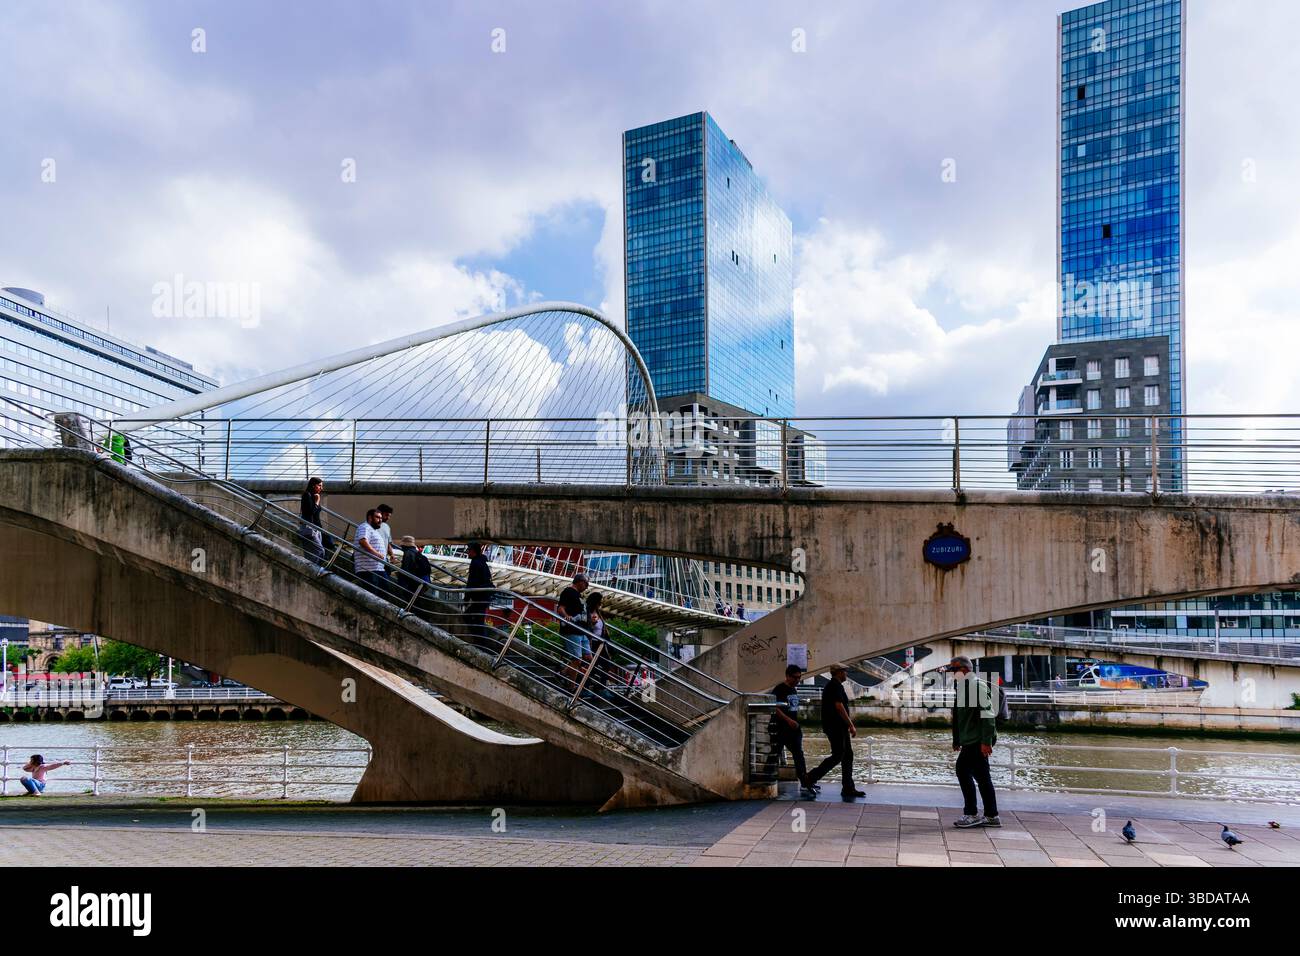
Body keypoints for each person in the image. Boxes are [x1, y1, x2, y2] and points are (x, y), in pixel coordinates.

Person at [941, 655, 1001, 828]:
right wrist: (957, 739)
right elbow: (960, 715)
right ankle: (991, 815)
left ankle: (973, 813)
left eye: (953, 670)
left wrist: (986, 741)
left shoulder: (975, 686)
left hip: (977, 740)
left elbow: (987, 714)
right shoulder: (963, 686)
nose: (951, 674)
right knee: (982, 777)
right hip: (971, 739)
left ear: (964, 669)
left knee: (963, 770)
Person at [807, 663, 865, 800]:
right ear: (839, 672)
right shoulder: (835, 686)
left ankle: (848, 787)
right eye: (845, 671)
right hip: (835, 726)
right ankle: (810, 777)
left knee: (847, 755)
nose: (846, 674)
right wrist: (851, 724)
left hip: (838, 727)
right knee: (839, 755)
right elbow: (839, 706)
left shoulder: (835, 685)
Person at [769, 664, 817, 798]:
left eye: (799, 678)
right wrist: (788, 720)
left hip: (793, 729)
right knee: (774, 754)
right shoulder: (779, 689)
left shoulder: (793, 690)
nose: (797, 680)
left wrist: (794, 723)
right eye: (795, 677)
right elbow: (775, 707)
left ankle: (805, 782)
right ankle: (766, 779)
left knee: (799, 755)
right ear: (787, 676)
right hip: (781, 728)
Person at [464, 541, 495, 648]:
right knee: (478, 620)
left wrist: (466, 599)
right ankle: (480, 643)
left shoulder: (475, 563)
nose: (467, 552)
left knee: (471, 618)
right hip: (485, 596)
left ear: (473, 551)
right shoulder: (482, 561)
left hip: (480, 597)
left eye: (468, 550)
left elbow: (471, 582)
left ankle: (481, 644)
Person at [353, 508, 389, 596]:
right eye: (377, 517)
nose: (380, 520)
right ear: (370, 517)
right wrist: (377, 553)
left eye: (381, 518)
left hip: (377, 569)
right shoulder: (365, 527)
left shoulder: (373, 530)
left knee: (384, 594)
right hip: (368, 570)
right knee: (373, 596)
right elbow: (362, 541)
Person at [557, 573, 591, 661]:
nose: (587, 587)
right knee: (576, 659)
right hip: (572, 630)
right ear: (580, 582)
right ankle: (566, 673)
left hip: (581, 630)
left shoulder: (579, 595)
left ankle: (564, 672)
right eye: (586, 584)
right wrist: (566, 616)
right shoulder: (568, 591)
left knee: (588, 657)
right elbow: (560, 608)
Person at [299, 476, 326, 564]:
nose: (321, 488)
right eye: (319, 485)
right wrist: (317, 501)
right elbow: (310, 512)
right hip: (309, 529)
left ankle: (314, 570)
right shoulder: (307, 495)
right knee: (320, 551)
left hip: (316, 529)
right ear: (313, 485)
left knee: (315, 553)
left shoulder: (313, 496)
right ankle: (313, 571)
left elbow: (316, 516)